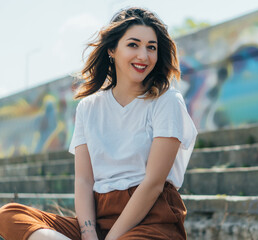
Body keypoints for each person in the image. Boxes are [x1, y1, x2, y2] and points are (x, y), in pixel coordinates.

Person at [0, 7, 197, 240]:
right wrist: (89, 232)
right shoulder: (88, 107)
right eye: (133, 45)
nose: (144, 56)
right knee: (9, 215)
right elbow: (84, 180)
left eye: (151, 47)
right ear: (112, 50)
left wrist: (111, 238)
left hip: (152, 218)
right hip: (100, 216)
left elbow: (153, 184)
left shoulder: (166, 100)